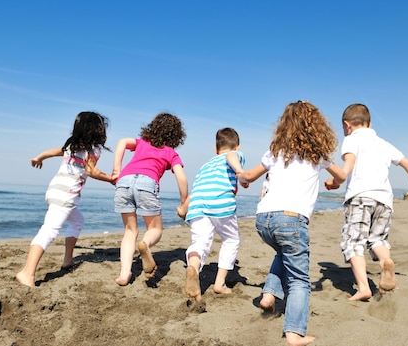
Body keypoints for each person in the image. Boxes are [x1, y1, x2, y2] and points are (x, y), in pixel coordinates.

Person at [238, 101, 346, 346]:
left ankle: (268, 295)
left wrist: (242, 179)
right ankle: (294, 333)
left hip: (263, 219)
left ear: (284, 125)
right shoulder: (317, 155)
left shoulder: (275, 152)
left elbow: (250, 176)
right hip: (292, 219)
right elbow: (341, 176)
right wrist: (333, 183)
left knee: (283, 252)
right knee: (299, 279)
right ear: (316, 127)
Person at [324, 103, 408, 301]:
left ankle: (364, 287)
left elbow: (346, 169)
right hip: (384, 200)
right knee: (377, 239)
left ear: (347, 125)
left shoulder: (351, 140)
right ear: (370, 124)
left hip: (360, 197)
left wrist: (334, 181)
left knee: (353, 242)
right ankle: (386, 260)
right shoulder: (383, 143)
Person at [16, 111, 116, 288]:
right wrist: (111, 179)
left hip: (55, 191)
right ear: (98, 131)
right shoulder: (93, 150)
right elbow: (91, 171)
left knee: (77, 221)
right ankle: (27, 272)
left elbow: (52, 152)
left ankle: (67, 260)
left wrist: (39, 157)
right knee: (49, 231)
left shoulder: (71, 146)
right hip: (66, 194)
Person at [112, 112, 189, 286]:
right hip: (147, 183)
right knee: (155, 229)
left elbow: (122, 142)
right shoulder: (171, 153)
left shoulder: (141, 143)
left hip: (124, 180)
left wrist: (116, 170)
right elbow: (182, 178)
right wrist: (184, 202)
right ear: (176, 136)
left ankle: (124, 274)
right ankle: (145, 244)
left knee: (130, 231)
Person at [176, 127, 248, 302]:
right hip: (221, 203)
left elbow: (196, 191)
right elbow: (230, 156)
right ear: (237, 147)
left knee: (199, 243)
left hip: (197, 206)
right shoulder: (234, 155)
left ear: (215, 149)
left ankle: (193, 266)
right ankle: (219, 284)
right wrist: (239, 172)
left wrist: (184, 209)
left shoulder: (205, 166)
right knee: (231, 240)